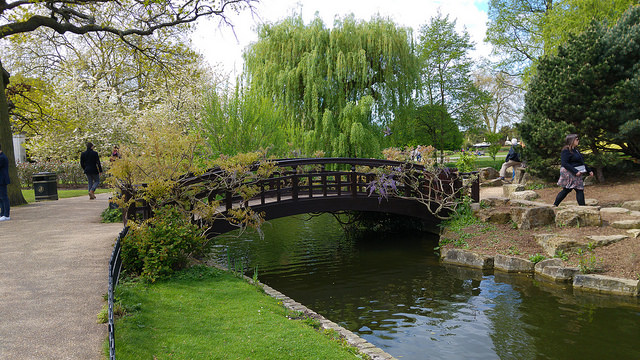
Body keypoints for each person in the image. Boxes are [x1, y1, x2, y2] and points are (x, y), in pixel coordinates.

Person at [553, 134, 594, 206]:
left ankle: (582, 207)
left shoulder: (576, 150)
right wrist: (575, 171)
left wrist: (589, 170)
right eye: (576, 139)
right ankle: (555, 204)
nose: (578, 141)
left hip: (576, 172)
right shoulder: (566, 151)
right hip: (569, 172)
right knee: (573, 189)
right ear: (571, 140)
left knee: (574, 189)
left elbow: (581, 162)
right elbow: (564, 163)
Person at [0, 143, 10, 221]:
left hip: (2, 180)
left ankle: (6, 214)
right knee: (1, 198)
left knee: (4, 197)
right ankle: (2, 213)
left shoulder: (2, 158)